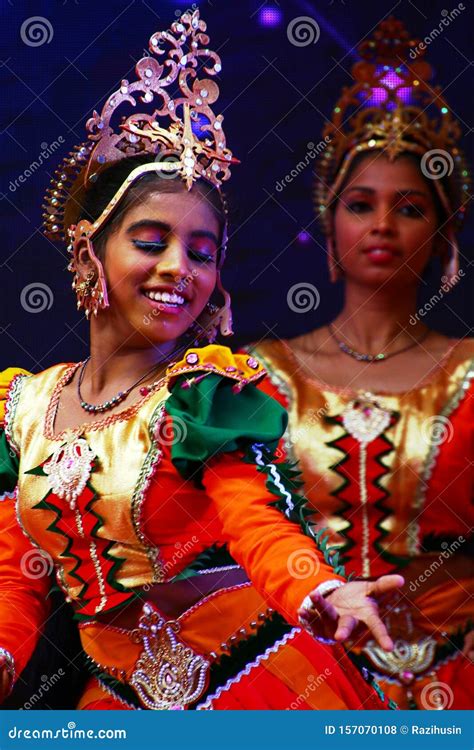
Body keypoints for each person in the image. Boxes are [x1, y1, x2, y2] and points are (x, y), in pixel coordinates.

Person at [0, 10, 403, 710]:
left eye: (203, 251)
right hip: (117, 697)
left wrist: (322, 588)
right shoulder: (22, 409)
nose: (178, 269)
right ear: (88, 250)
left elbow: (257, 523)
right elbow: (18, 576)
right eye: (151, 241)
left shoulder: (200, 397)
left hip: (255, 683)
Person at [248, 18, 473, 709]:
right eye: (360, 204)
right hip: (301, 686)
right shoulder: (255, 374)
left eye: (408, 207)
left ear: (440, 235)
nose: (381, 225)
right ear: (330, 223)